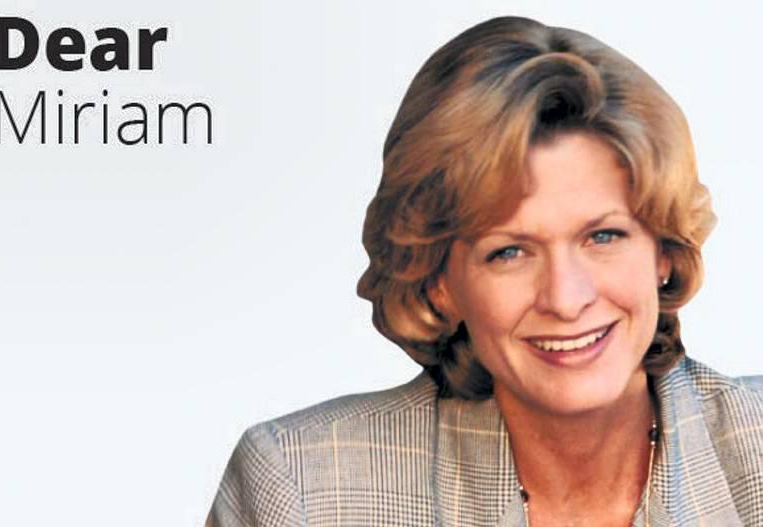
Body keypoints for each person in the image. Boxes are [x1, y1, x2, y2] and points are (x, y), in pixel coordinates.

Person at [206, 16, 763, 526]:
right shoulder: (304, 488)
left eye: (603, 237)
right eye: (509, 252)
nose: (565, 299)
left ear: (663, 249)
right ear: (437, 282)